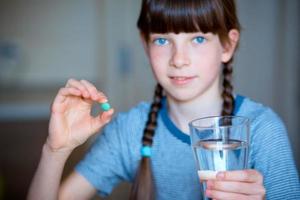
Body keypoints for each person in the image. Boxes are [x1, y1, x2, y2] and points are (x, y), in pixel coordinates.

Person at [27, 0, 300, 199]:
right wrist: (55, 151)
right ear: (145, 45)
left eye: (198, 39)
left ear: (227, 45)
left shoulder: (263, 130)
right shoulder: (129, 130)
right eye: (162, 41)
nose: (179, 60)